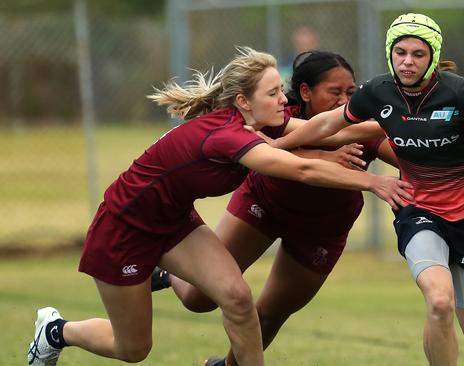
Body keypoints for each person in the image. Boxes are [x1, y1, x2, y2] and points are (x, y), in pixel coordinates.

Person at [26, 46, 412, 366]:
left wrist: (412, 121)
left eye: (282, 90)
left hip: (176, 223)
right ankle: (56, 331)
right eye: (275, 93)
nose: (285, 100)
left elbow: (334, 129)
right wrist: (374, 181)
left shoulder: (264, 122)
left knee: (238, 298)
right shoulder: (225, 136)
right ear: (244, 101)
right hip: (124, 228)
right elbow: (304, 169)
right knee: (133, 349)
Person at [270, 13, 464, 366]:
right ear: (390, 54)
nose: (407, 61)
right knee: (440, 300)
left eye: (418, 54)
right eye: (400, 52)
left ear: (432, 57)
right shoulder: (376, 92)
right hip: (417, 209)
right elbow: (326, 123)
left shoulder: (461, 93)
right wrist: (272, 148)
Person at [150, 50, 398, 366]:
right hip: (263, 205)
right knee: (199, 299)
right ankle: (169, 275)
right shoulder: (280, 114)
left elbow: (408, 156)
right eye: (334, 92)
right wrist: (320, 157)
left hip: (321, 231)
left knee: (269, 315)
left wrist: (429, 140)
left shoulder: (360, 123)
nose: (344, 100)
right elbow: (259, 145)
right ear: (306, 92)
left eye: (350, 93)